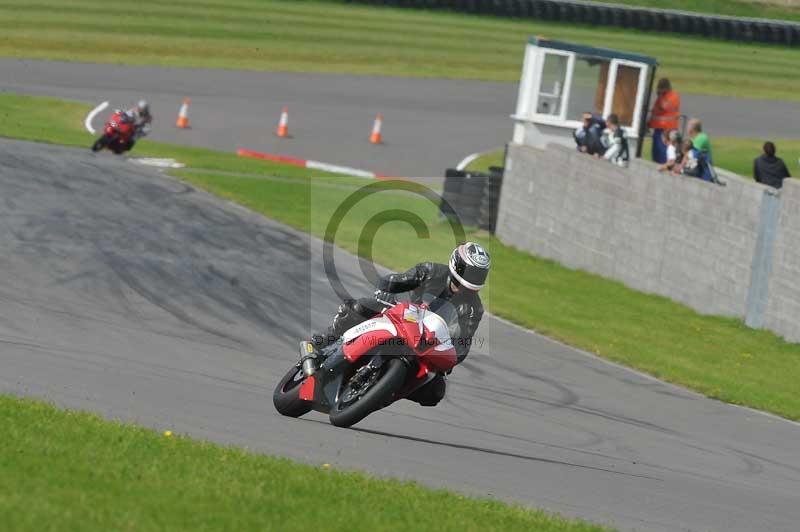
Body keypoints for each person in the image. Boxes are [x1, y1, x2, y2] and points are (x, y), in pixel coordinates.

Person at [300, 242, 491, 407]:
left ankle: (384, 390)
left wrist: (449, 359)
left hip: (425, 342)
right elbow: (396, 280)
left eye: (479, 274)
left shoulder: (474, 309)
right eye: (472, 272)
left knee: (436, 391)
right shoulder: (432, 271)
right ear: (456, 266)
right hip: (398, 315)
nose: (474, 278)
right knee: (360, 306)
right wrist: (387, 288)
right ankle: (323, 343)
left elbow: (463, 343)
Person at [648, 78, 681, 164]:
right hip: (658, 128)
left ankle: (664, 166)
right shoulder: (662, 96)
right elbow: (656, 111)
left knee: (663, 152)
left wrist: (660, 96)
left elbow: (664, 106)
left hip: (667, 129)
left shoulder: (673, 96)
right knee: (656, 151)